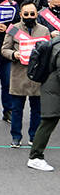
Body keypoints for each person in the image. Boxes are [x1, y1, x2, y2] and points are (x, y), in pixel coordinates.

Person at [1, 0, 48, 147]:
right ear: (20, 14)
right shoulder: (13, 29)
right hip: (19, 74)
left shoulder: (44, 30)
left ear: (36, 14)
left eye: (32, 13)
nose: (29, 16)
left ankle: (34, 137)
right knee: (16, 110)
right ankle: (16, 137)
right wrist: (14, 54)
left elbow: (48, 51)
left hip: (37, 76)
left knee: (37, 110)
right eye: (26, 13)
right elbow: (4, 49)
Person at [28, 36, 60, 171]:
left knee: (48, 122)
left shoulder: (57, 42)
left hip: (52, 88)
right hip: (54, 90)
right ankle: (35, 157)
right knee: (48, 122)